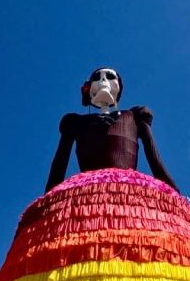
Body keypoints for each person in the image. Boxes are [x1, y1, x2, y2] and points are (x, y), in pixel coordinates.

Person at [44, 67, 179, 193]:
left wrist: (174, 192)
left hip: (127, 189)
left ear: (118, 86)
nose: (103, 80)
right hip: (89, 191)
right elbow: (59, 163)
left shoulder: (135, 117)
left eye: (109, 77)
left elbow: (155, 159)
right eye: (97, 78)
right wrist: (48, 197)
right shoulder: (75, 122)